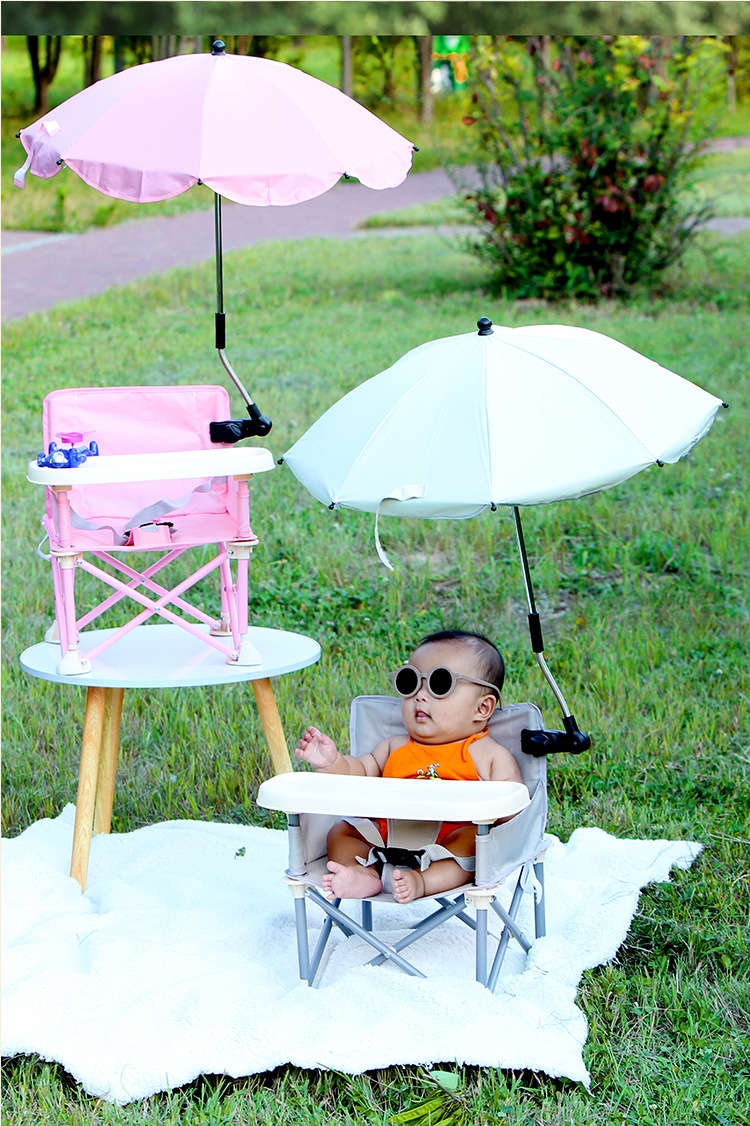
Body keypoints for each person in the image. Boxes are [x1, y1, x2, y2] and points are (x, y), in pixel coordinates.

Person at [294, 629, 522, 905]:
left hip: (448, 840)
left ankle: (424, 881)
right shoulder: (394, 747)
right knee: (342, 831)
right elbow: (360, 773)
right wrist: (334, 762)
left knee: (475, 844)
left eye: (440, 684)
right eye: (410, 682)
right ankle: (362, 873)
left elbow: (514, 809)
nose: (420, 696)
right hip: (386, 835)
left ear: (482, 708)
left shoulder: (488, 755)